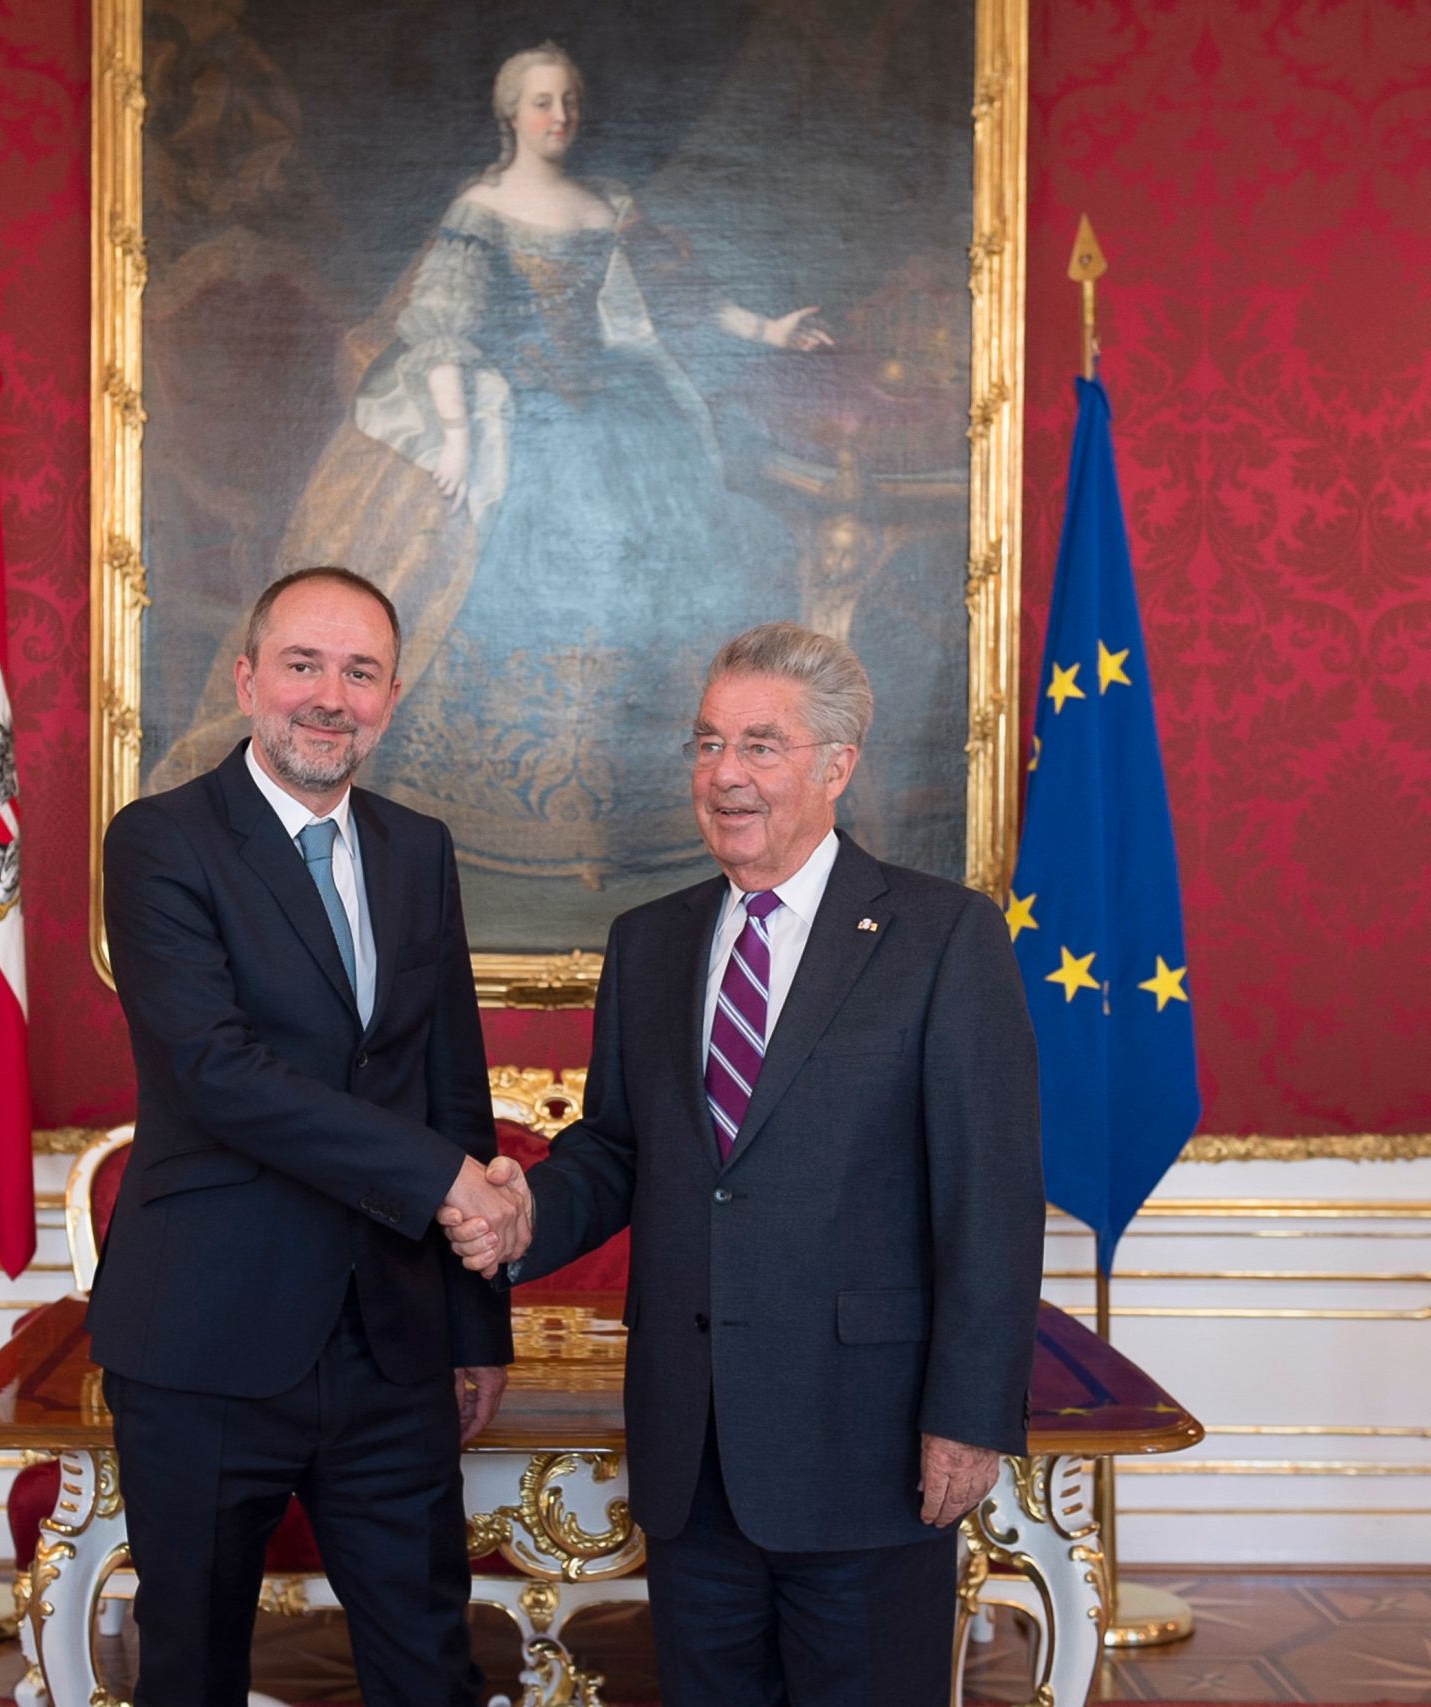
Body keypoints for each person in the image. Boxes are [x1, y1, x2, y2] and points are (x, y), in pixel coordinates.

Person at [441, 622, 1046, 1707]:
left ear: (835, 766)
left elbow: (988, 1199)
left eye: (760, 746)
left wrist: (968, 1411)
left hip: (867, 1444)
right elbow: (620, 1151)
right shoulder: (651, 940)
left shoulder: (941, 936)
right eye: (707, 744)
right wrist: (526, 1210)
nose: (724, 775)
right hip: (692, 1447)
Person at [156, 42, 832, 896]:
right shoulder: (481, 206)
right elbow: (443, 325)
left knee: (652, 565)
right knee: (470, 558)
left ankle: (631, 805)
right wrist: (460, 439)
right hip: (508, 411)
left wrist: (770, 332)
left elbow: (676, 297)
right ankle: (490, 808)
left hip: (618, 416)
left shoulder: (607, 204)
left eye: (569, 103)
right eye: (543, 102)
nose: (559, 118)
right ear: (511, 114)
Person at [89, 566, 524, 1707]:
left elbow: (451, 1082)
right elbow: (218, 1075)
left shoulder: (415, 849)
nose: (329, 697)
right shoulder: (160, 843)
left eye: (360, 672)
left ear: (387, 697)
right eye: (302, 665)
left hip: (389, 1342)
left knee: (431, 1665)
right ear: (247, 681)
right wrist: (443, 1183)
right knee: (190, 1668)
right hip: (204, 1339)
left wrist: (473, 1321)